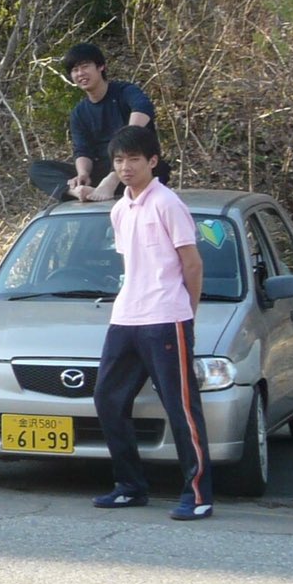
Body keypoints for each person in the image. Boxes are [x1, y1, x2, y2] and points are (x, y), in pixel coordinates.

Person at [91, 124, 212, 521]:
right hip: (126, 316)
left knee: (181, 407)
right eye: (119, 160)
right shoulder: (119, 208)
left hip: (167, 317)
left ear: (153, 162)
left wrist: (186, 313)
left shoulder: (167, 203)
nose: (126, 167)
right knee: (108, 399)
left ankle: (197, 494)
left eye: (134, 160)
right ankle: (129, 486)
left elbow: (191, 264)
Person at [63, 43, 160, 202]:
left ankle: (110, 182)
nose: (80, 74)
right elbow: (82, 150)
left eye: (85, 67)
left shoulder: (125, 91)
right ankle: (78, 191)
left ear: (101, 66)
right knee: (39, 169)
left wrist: (127, 140)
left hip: (135, 166)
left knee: (131, 151)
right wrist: (83, 174)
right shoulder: (79, 113)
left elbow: (143, 107)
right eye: (74, 70)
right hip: (100, 171)